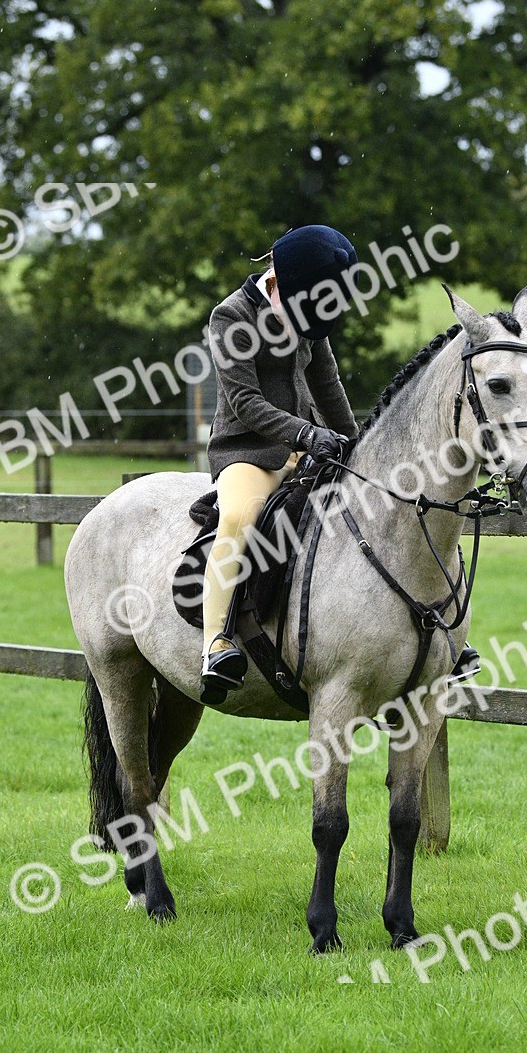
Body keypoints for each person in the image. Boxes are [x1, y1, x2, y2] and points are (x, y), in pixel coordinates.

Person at [200, 224, 359, 703]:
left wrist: (356, 445)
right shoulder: (231, 316)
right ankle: (216, 642)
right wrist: (307, 434)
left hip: (308, 450)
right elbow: (245, 401)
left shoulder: (308, 312)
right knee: (240, 517)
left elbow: (328, 386)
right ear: (276, 284)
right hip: (248, 450)